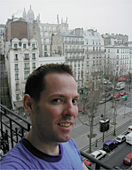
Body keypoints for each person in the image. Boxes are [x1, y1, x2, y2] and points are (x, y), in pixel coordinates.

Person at [1, 63, 88, 170]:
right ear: (29, 104)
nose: (71, 111)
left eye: (74, 101)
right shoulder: (14, 166)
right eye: (57, 100)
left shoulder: (69, 143)